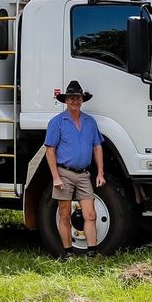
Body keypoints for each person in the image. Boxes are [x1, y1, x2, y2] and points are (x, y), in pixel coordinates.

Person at [44, 80, 106, 254]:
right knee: (64, 215)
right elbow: (50, 150)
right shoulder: (57, 122)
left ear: (82, 100)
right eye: (71, 98)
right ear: (66, 100)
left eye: (77, 98)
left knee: (90, 214)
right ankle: (68, 253)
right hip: (64, 173)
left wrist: (100, 172)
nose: (74, 101)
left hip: (84, 175)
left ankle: (92, 253)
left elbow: (97, 147)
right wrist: (55, 176)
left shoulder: (90, 122)